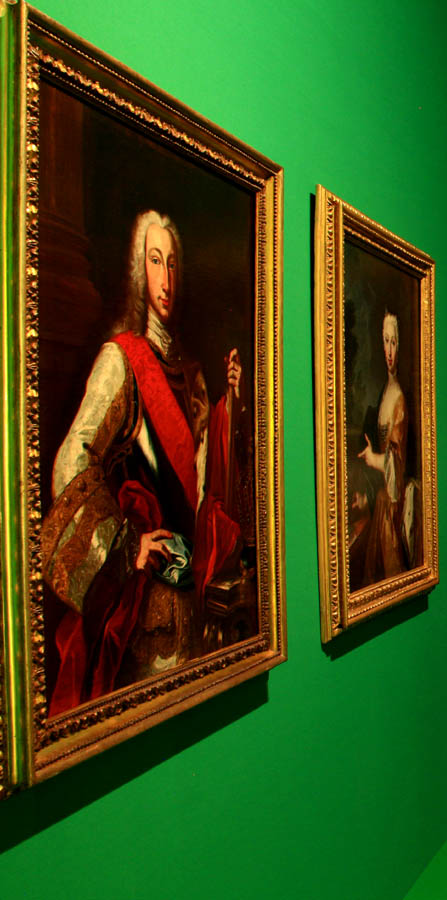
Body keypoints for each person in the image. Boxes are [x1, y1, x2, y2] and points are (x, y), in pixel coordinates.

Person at [39, 210, 248, 716]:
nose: (166, 277)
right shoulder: (121, 360)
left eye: (173, 263)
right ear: (139, 270)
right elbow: (71, 460)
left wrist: (233, 406)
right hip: (145, 609)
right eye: (155, 261)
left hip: (192, 602)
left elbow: (204, 483)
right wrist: (127, 545)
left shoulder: (191, 373)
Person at [355, 310, 410, 584]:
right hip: (382, 503)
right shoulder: (385, 392)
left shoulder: (398, 397)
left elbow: (396, 468)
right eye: (385, 341)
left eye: (393, 342)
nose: (389, 350)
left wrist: (374, 459)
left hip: (392, 508)